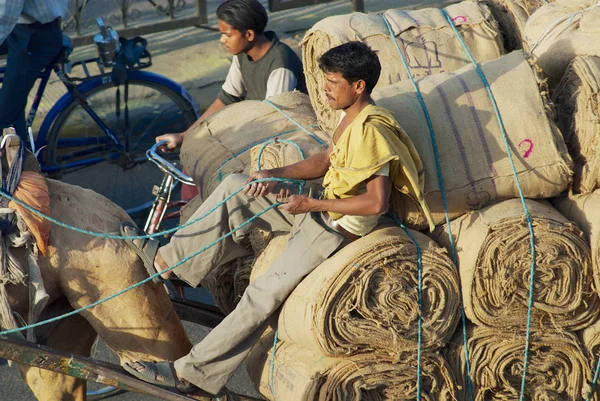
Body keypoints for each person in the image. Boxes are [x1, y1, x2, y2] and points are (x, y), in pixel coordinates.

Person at [121, 42, 434, 398]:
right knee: (238, 186)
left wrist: (311, 206)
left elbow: (376, 203)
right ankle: (168, 262)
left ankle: (190, 375)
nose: (325, 88)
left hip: (332, 230)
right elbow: (323, 162)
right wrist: (274, 172)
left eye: (332, 81)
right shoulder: (350, 118)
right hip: (316, 208)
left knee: (260, 295)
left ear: (358, 86)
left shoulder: (372, 131)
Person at [156, 0, 306, 153]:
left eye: (227, 35)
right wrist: (185, 136)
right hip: (255, 126)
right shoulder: (243, 53)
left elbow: (274, 121)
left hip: (281, 138)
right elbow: (227, 98)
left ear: (249, 34)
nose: (222, 40)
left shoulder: (280, 66)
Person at [0, 0, 68, 143]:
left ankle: (22, 160)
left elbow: (6, 14)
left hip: (35, 36)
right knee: (12, 101)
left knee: (4, 115)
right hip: (22, 28)